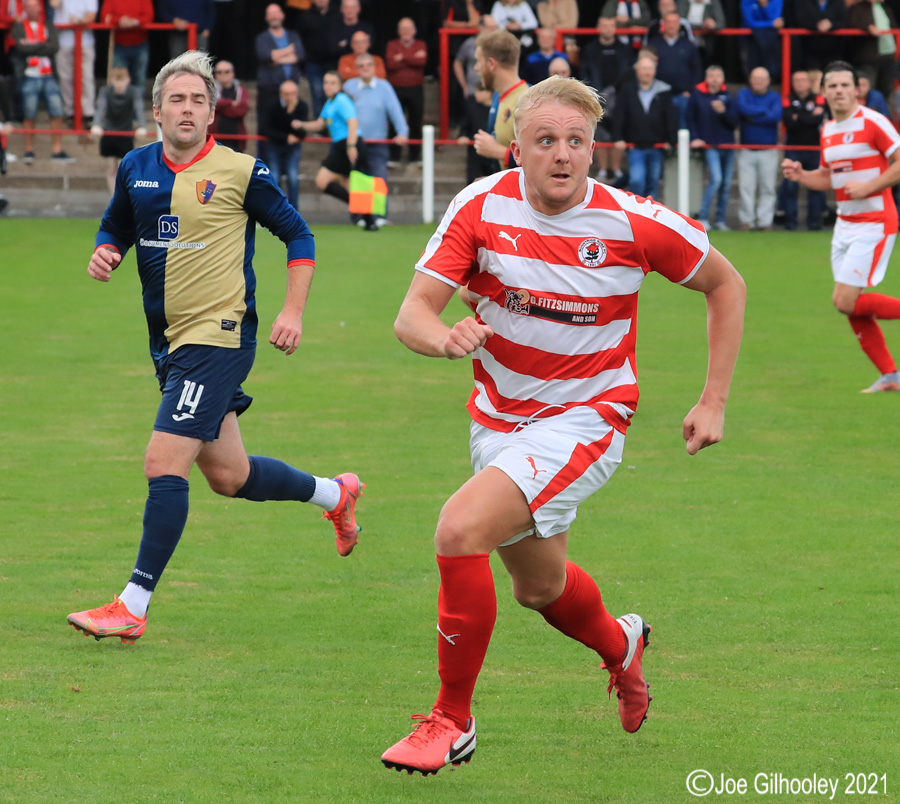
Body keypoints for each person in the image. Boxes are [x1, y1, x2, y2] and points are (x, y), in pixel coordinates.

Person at [380, 74, 746, 776]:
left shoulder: (633, 222)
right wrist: (442, 338)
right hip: (499, 421)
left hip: (589, 418)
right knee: (539, 589)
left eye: (576, 141)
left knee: (459, 530)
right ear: (515, 147)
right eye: (545, 140)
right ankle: (622, 648)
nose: (562, 155)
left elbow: (726, 284)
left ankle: (451, 721)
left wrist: (714, 400)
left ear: (592, 147)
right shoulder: (480, 206)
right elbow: (412, 315)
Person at [66, 51, 365, 645]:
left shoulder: (241, 171)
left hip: (220, 338)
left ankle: (132, 604)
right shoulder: (135, 167)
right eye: (176, 99)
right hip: (170, 344)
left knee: (162, 463)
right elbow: (116, 226)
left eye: (197, 100)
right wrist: (107, 250)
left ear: (211, 115)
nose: (187, 108)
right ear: (157, 111)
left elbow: (298, 234)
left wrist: (292, 310)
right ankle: (336, 494)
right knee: (229, 475)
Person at [783, 61, 900, 394]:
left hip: (875, 222)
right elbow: (827, 177)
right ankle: (890, 376)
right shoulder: (828, 130)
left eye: (844, 85)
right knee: (848, 303)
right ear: (823, 93)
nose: (839, 91)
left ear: (857, 89)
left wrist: (871, 186)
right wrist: (800, 174)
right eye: (831, 86)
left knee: (844, 300)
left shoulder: (874, 121)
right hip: (845, 225)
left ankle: (891, 376)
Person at [295, 69, 379, 230]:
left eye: (332, 83)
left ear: (340, 85)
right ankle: (370, 222)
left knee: (322, 180)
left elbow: (353, 123)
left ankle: (362, 212)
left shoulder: (341, 100)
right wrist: (301, 125)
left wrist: (351, 146)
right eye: (326, 82)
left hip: (348, 145)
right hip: (343, 146)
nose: (328, 86)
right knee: (350, 186)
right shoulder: (330, 102)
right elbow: (320, 124)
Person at [344, 51, 407, 221]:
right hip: (355, 143)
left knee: (379, 179)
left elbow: (395, 111)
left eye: (368, 65)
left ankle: (379, 216)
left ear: (374, 67)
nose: (365, 68)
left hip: (378, 142)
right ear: (356, 69)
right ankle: (359, 217)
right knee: (358, 181)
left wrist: (402, 132)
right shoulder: (349, 86)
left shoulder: (384, 86)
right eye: (361, 66)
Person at [12, 0, 71, 162]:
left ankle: (57, 150)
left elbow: (54, 47)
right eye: (29, 6)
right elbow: (21, 49)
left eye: (35, 6)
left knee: (57, 111)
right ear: (25, 9)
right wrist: (43, 45)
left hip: (49, 75)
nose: (33, 9)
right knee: (29, 113)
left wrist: (32, 45)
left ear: (40, 8)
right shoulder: (18, 27)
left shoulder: (48, 25)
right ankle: (29, 149)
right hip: (29, 75)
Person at [613, 55, 677, 199]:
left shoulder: (664, 90)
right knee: (636, 180)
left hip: (657, 146)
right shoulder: (627, 89)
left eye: (649, 69)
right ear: (637, 71)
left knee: (653, 182)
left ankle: (650, 217)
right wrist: (618, 137)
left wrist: (671, 140)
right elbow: (619, 114)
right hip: (635, 146)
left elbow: (671, 116)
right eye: (643, 69)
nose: (646, 72)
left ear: (654, 71)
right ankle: (636, 214)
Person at [580, 15, 634, 185]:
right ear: (599, 27)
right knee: (600, 131)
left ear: (615, 28)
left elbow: (629, 73)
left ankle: (616, 169)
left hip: (621, 96)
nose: (608, 29)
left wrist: (619, 93)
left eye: (611, 25)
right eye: (604, 25)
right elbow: (584, 73)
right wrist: (593, 94)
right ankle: (603, 169)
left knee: (618, 130)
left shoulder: (625, 48)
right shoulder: (590, 49)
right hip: (597, 96)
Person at [688, 63, 737, 230]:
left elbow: (734, 123)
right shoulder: (697, 95)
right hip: (709, 146)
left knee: (726, 183)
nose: (715, 79)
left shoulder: (728, 97)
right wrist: (695, 138)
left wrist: (723, 112)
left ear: (722, 79)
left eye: (718, 76)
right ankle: (703, 217)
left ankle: (720, 220)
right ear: (706, 79)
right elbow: (690, 118)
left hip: (727, 146)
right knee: (716, 180)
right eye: (712, 76)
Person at [471, 28, 528, 171]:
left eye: (478, 61)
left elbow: (543, 160)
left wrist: (499, 152)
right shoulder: (499, 97)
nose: (476, 68)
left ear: (491, 64)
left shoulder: (528, 102)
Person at [255, 3, 305, 162]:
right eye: (270, 14)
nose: (274, 16)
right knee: (266, 127)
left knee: (292, 124)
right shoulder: (262, 38)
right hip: (269, 88)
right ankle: (263, 164)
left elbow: (300, 55)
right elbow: (265, 56)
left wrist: (277, 56)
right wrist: (288, 52)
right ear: (266, 18)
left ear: (283, 15)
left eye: (276, 13)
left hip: (291, 88)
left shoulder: (293, 35)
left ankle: (288, 163)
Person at [779, 68, 826, 231]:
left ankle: (814, 224)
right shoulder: (787, 99)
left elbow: (817, 119)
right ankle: (791, 223)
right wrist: (808, 116)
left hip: (814, 148)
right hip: (794, 148)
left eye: (803, 80)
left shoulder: (818, 98)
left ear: (809, 83)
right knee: (791, 186)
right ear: (792, 84)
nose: (800, 83)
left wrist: (798, 116)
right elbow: (789, 122)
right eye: (796, 80)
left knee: (816, 186)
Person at [736, 66, 780, 230]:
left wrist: (752, 117)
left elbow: (776, 115)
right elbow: (743, 108)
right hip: (747, 149)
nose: (759, 81)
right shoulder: (743, 94)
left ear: (768, 81)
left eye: (762, 78)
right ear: (750, 80)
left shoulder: (775, 96)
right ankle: (747, 221)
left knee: (768, 188)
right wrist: (764, 113)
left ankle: (765, 222)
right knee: (746, 187)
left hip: (769, 150)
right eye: (755, 78)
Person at [91, 65, 145, 193]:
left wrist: (142, 126)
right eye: (117, 80)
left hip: (125, 134)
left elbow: (139, 109)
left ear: (128, 80)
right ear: (112, 81)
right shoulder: (105, 91)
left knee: (124, 169)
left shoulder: (134, 92)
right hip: (109, 133)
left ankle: (123, 198)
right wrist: (96, 124)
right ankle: (113, 199)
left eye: (122, 80)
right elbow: (101, 108)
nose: (120, 84)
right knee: (111, 169)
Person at [646, 9, 702, 130]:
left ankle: (684, 149)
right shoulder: (653, 44)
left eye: (674, 22)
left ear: (679, 25)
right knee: (659, 125)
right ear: (663, 24)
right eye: (668, 22)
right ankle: (663, 148)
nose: (671, 25)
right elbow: (646, 67)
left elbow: (697, 69)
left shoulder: (688, 44)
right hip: (658, 93)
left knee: (684, 126)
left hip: (683, 95)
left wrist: (690, 91)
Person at [261, 78, 308, 210]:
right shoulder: (272, 105)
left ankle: (294, 213)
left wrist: (291, 113)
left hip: (292, 147)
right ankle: (274, 212)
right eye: (287, 94)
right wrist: (285, 137)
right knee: (275, 177)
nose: (290, 97)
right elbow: (265, 129)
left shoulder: (302, 106)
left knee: (293, 177)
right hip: (274, 145)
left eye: (293, 94)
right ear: (281, 94)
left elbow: (303, 132)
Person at [385, 17, 426, 165]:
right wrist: (412, 58)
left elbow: (422, 61)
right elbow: (391, 64)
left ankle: (414, 156)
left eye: (409, 28)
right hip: (396, 90)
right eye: (403, 29)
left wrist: (402, 58)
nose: (406, 32)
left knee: (416, 122)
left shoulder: (421, 44)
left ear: (414, 31)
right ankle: (394, 156)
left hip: (416, 89)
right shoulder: (392, 44)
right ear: (398, 31)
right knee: (395, 122)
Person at [54, 0, 97, 125]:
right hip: (63, 41)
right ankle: (70, 113)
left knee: (86, 78)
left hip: (85, 41)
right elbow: (53, 4)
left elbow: (91, 16)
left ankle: (87, 113)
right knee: (65, 78)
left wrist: (79, 21)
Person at [100, 0, 154, 98]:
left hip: (140, 44)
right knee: (118, 80)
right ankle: (119, 111)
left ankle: (138, 112)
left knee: (139, 80)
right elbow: (104, 17)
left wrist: (134, 22)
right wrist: (119, 20)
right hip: (118, 45)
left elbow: (149, 16)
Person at [847, 0, 897, 105]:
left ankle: (885, 115)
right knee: (869, 88)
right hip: (868, 56)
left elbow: (894, 26)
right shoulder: (858, 7)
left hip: (888, 53)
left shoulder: (885, 7)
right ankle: (868, 114)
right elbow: (851, 22)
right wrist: (867, 27)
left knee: (888, 88)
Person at [299, 0, 341, 115]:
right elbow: (301, 40)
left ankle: (333, 125)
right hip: (313, 63)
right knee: (318, 96)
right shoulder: (306, 17)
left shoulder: (338, 15)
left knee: (335, 94)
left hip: (333, 63)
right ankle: (320, 130)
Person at [209, 59, 249, 152]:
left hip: (236, 142)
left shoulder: (241, 91)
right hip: (215, 141)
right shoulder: (210, 90)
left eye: (226, 71)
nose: (223, 74)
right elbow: (211, 105)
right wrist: (230, 103)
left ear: (232, 73)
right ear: (216, 75)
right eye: (219, 72)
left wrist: (220, 108)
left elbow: (241, 110)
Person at [741, 0, 782, 83]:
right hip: (750, 40)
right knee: (750, 71)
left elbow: (777, 22)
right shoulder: (746, 1)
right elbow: (750, 22)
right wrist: (770, 24)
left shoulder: (777, 1)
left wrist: (765, 6)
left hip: (772, 41)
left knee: (773, 70)